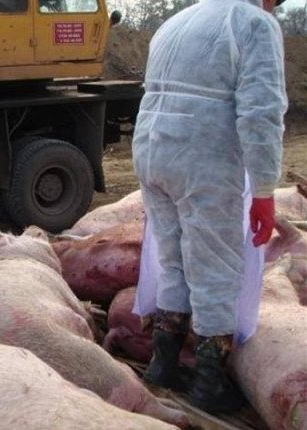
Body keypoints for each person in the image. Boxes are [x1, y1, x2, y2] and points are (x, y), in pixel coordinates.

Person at [131, 0, 288, 414]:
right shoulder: (253, 23)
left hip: (151, 150)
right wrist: (265, 189)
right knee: (216, 269)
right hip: (201, 156)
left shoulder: (177, 21)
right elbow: (262, 112)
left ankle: (162, 365)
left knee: (173, 261)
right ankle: (208, 384)